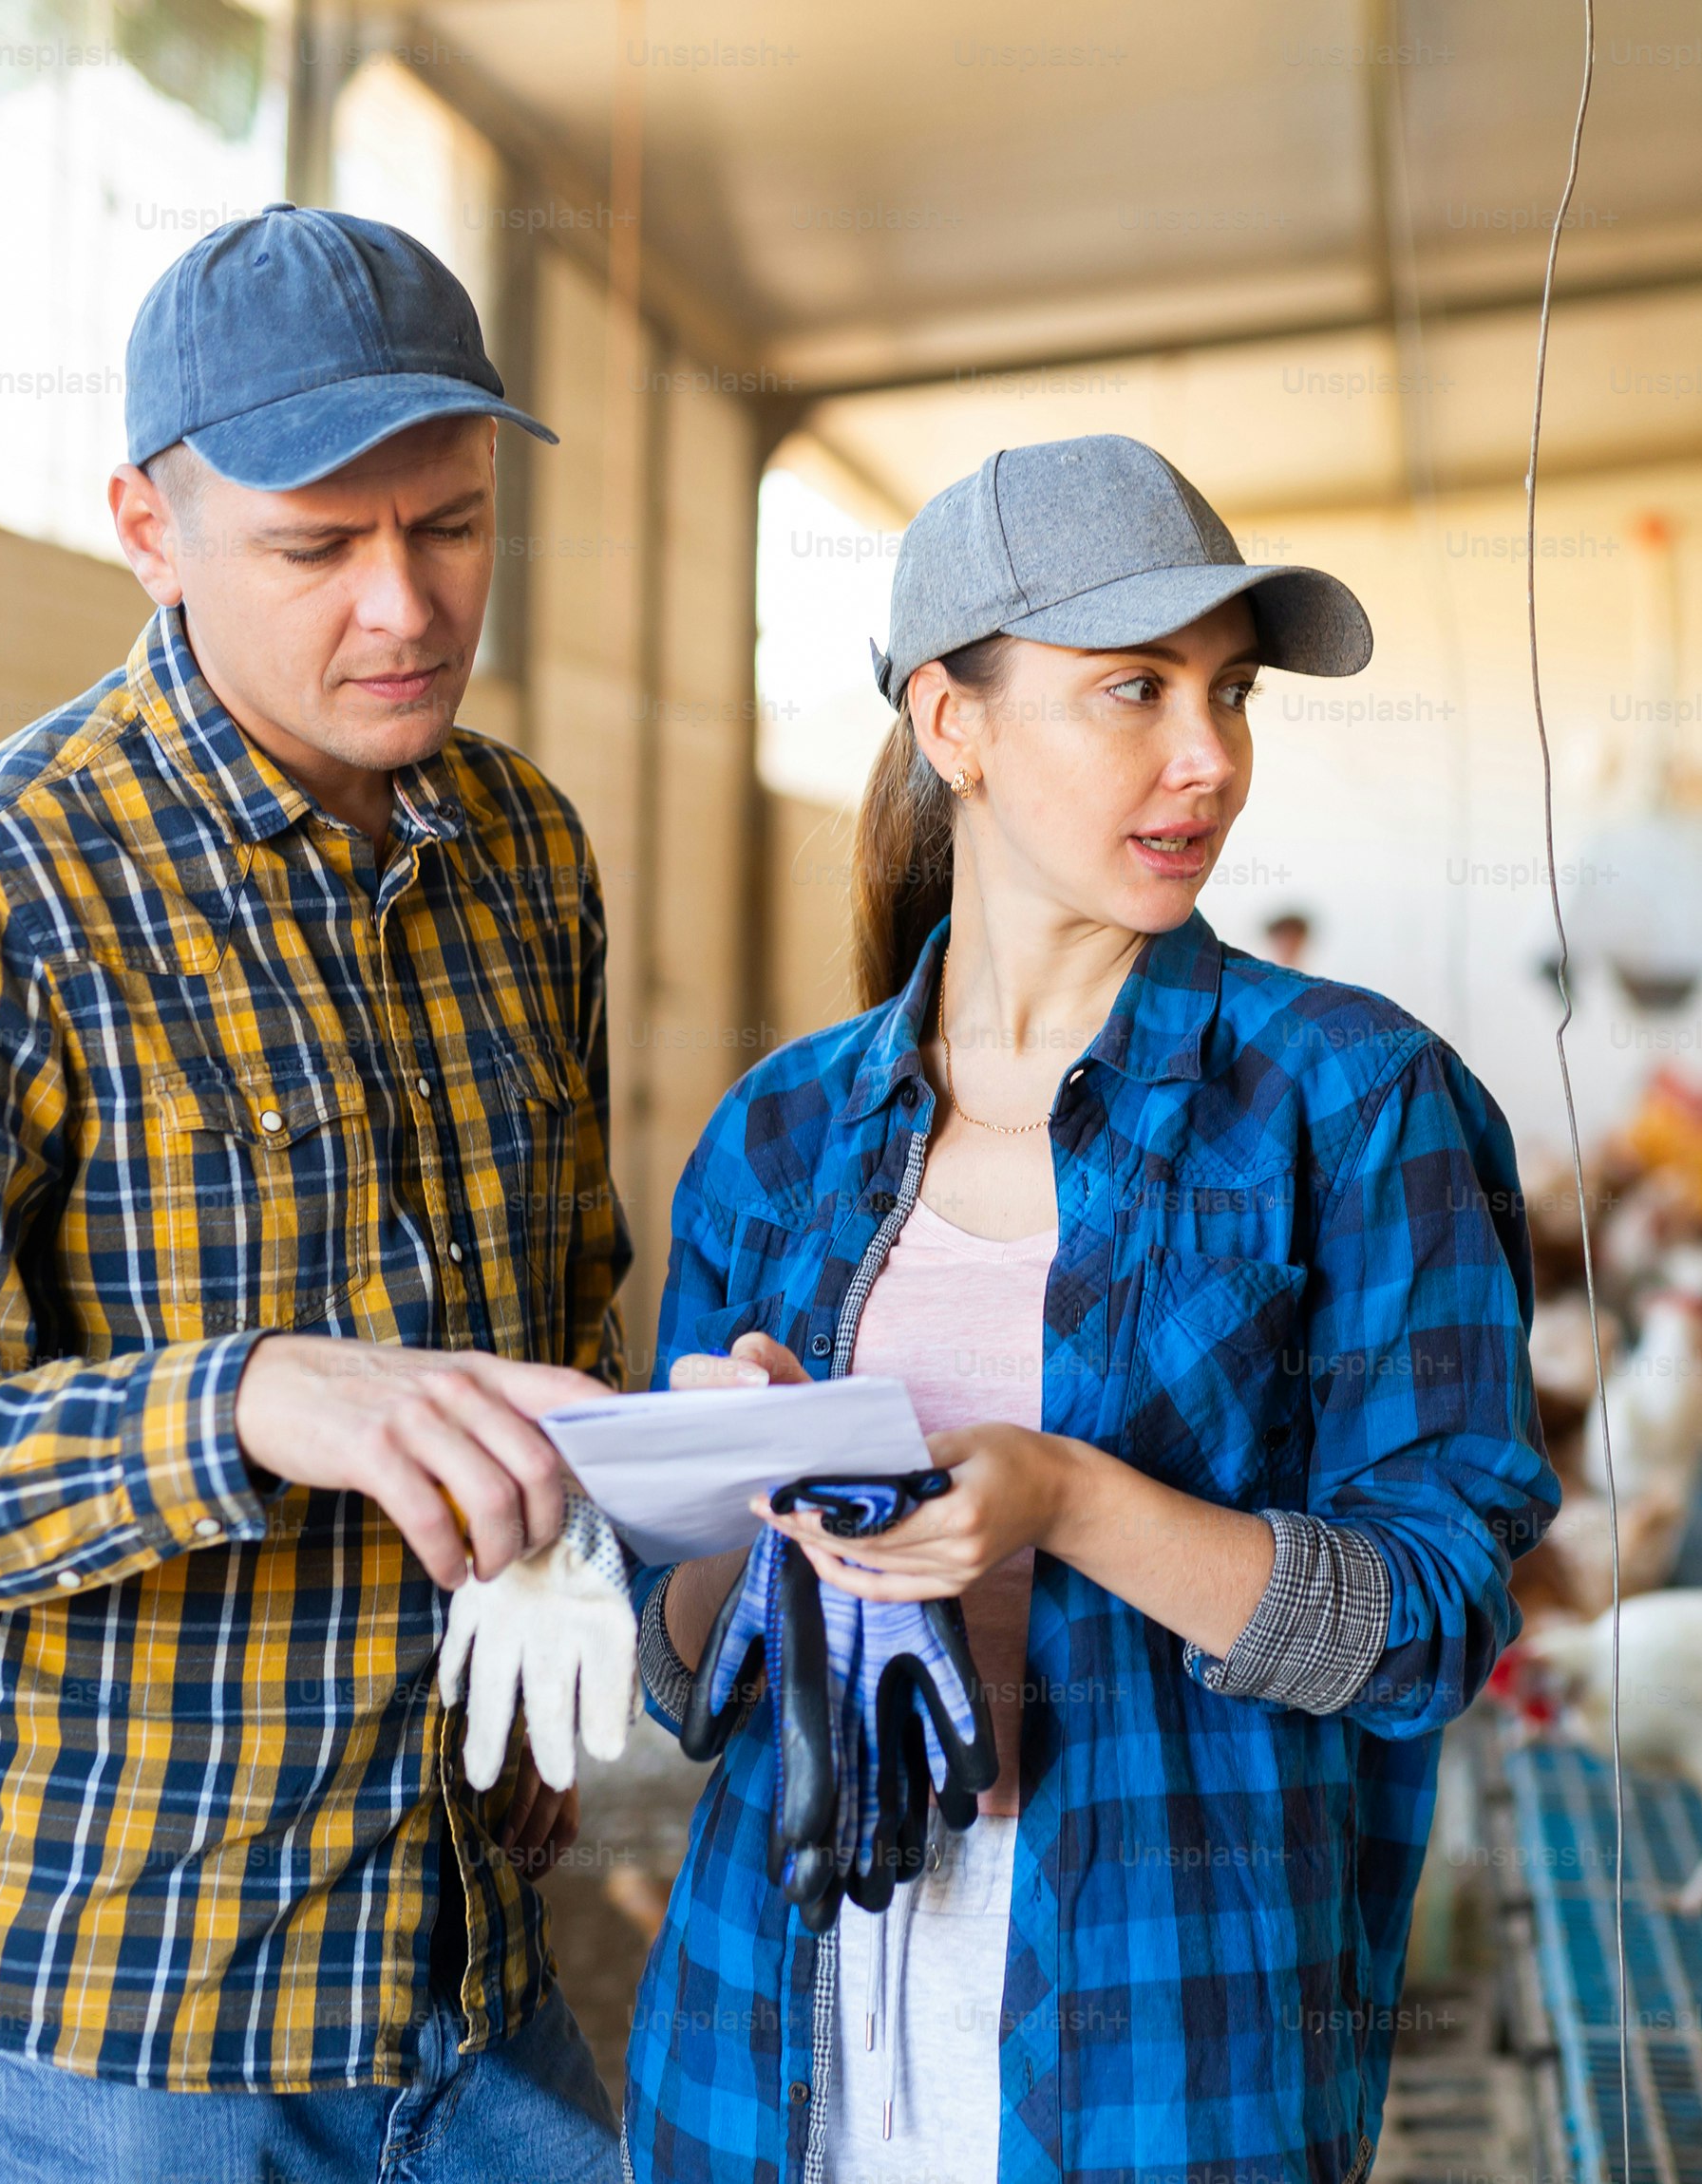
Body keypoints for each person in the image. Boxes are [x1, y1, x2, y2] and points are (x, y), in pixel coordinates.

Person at [0, 207, 634, 2180]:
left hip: (456, 1941)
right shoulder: (0, 890)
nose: (404, 606)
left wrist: (583, 1548)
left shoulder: (525, 852)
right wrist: (246, 1399)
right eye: (316, 548)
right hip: (109, 2024)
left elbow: (567, 1293)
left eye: (454, 524)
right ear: (151, 528)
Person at [625, 435, 1555, 2182]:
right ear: (949, 723)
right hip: (773, 2060)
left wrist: (1069, 1500)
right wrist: (731, 1488)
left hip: (1169, 2062)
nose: (1204, 761)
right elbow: (682, 1677)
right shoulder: (783, 1133)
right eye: (1129, 690)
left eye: (1228, 693)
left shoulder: (1346, 1105)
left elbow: (1433, 1621)